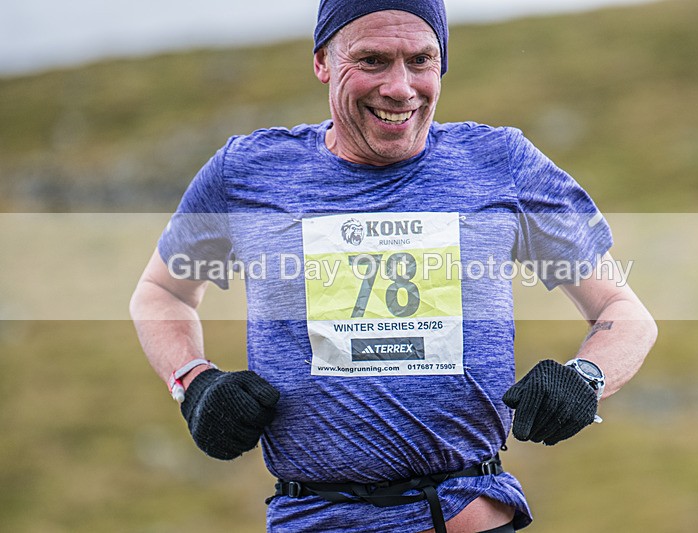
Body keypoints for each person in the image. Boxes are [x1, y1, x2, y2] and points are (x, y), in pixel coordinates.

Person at [129, 1, 657, 532]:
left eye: (422, 60)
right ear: (322, 62)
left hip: (463, 516)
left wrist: (584, 379)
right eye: (373, 60)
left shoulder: (501, 165)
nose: (401, 88)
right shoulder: (247, 174)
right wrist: (194, 381)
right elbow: (161, 292)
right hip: (309, 517)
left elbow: (622, 310)